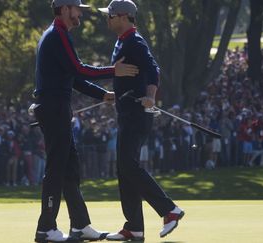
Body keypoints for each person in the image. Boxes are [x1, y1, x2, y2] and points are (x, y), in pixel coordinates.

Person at [32, 0, 139, 242]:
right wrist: (114, 70)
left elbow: (74, 78)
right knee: (56, 169)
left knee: (70, 170)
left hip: (57, 109)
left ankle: (80, 225)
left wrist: (103, 95)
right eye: (77, 8)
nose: (79, 13)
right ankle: (45, 227)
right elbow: (80, 70)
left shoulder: (59, 34)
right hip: (53, 109)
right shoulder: (58, 35)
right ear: (64, 9)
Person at [98, 0, 184, 240]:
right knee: (124, 168)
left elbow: (153, 68)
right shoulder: (122, 41)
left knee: (128, 165)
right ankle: (134, 228)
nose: (108, 19)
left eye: (111, 15)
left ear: (123, 16)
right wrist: (116, 93)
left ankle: (169, 211)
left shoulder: (135, 41)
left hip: (137, 113)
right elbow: (126, 75)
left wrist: (150, 95)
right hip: (126, 112)